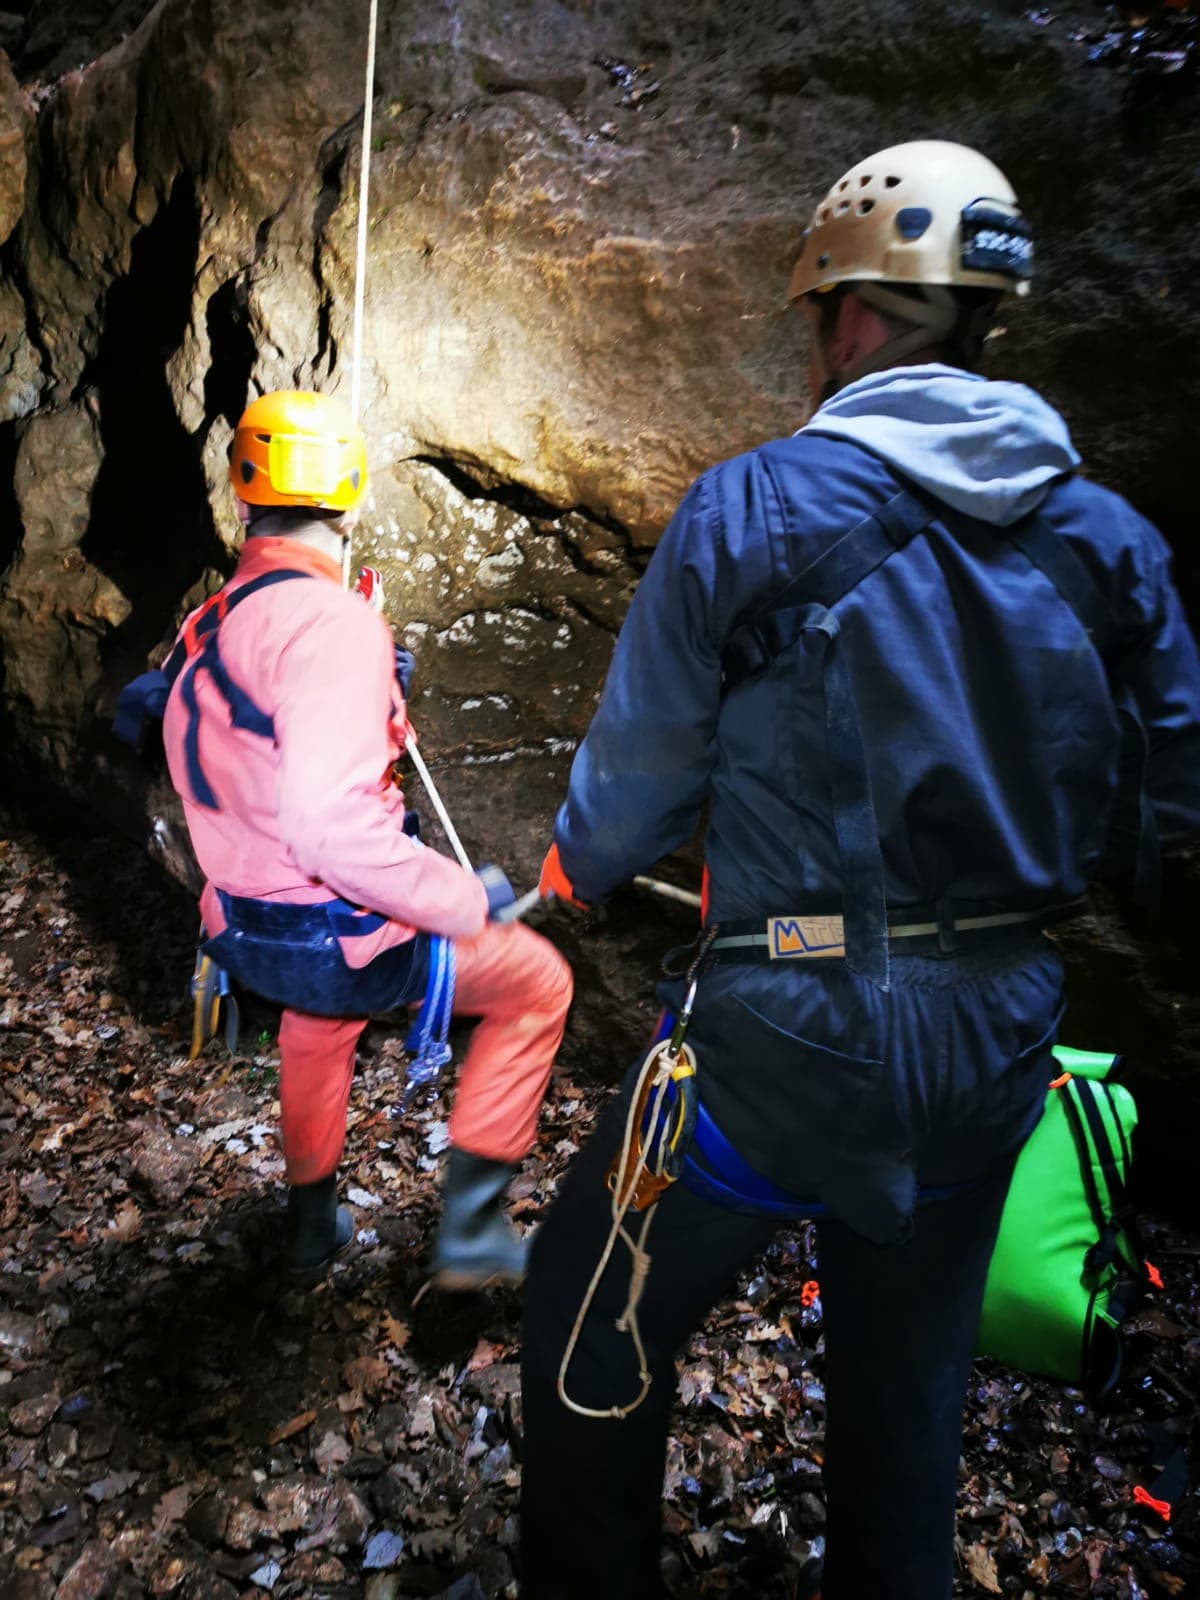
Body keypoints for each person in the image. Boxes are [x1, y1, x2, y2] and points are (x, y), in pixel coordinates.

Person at [519, 141, 1200, 1599]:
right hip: (1001, 1039)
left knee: (586, 1311)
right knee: (906, 1410)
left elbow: (632, 797)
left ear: (848, 313)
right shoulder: (1114, 544)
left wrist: (569, 868)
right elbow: (1169, 814)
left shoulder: (755, 508)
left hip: (789, 1031)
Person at [153, 389, 572, 1285]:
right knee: (538, 981)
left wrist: (372, 693)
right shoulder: (334, 623)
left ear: (242, 495)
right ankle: (472, 1232)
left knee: (319, 1020)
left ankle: (312, 1226)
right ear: (348, 497)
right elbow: (327, 827)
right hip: (329, 934)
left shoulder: (211, 623)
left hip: (239, 930)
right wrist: (460, 898)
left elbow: (255, 760)